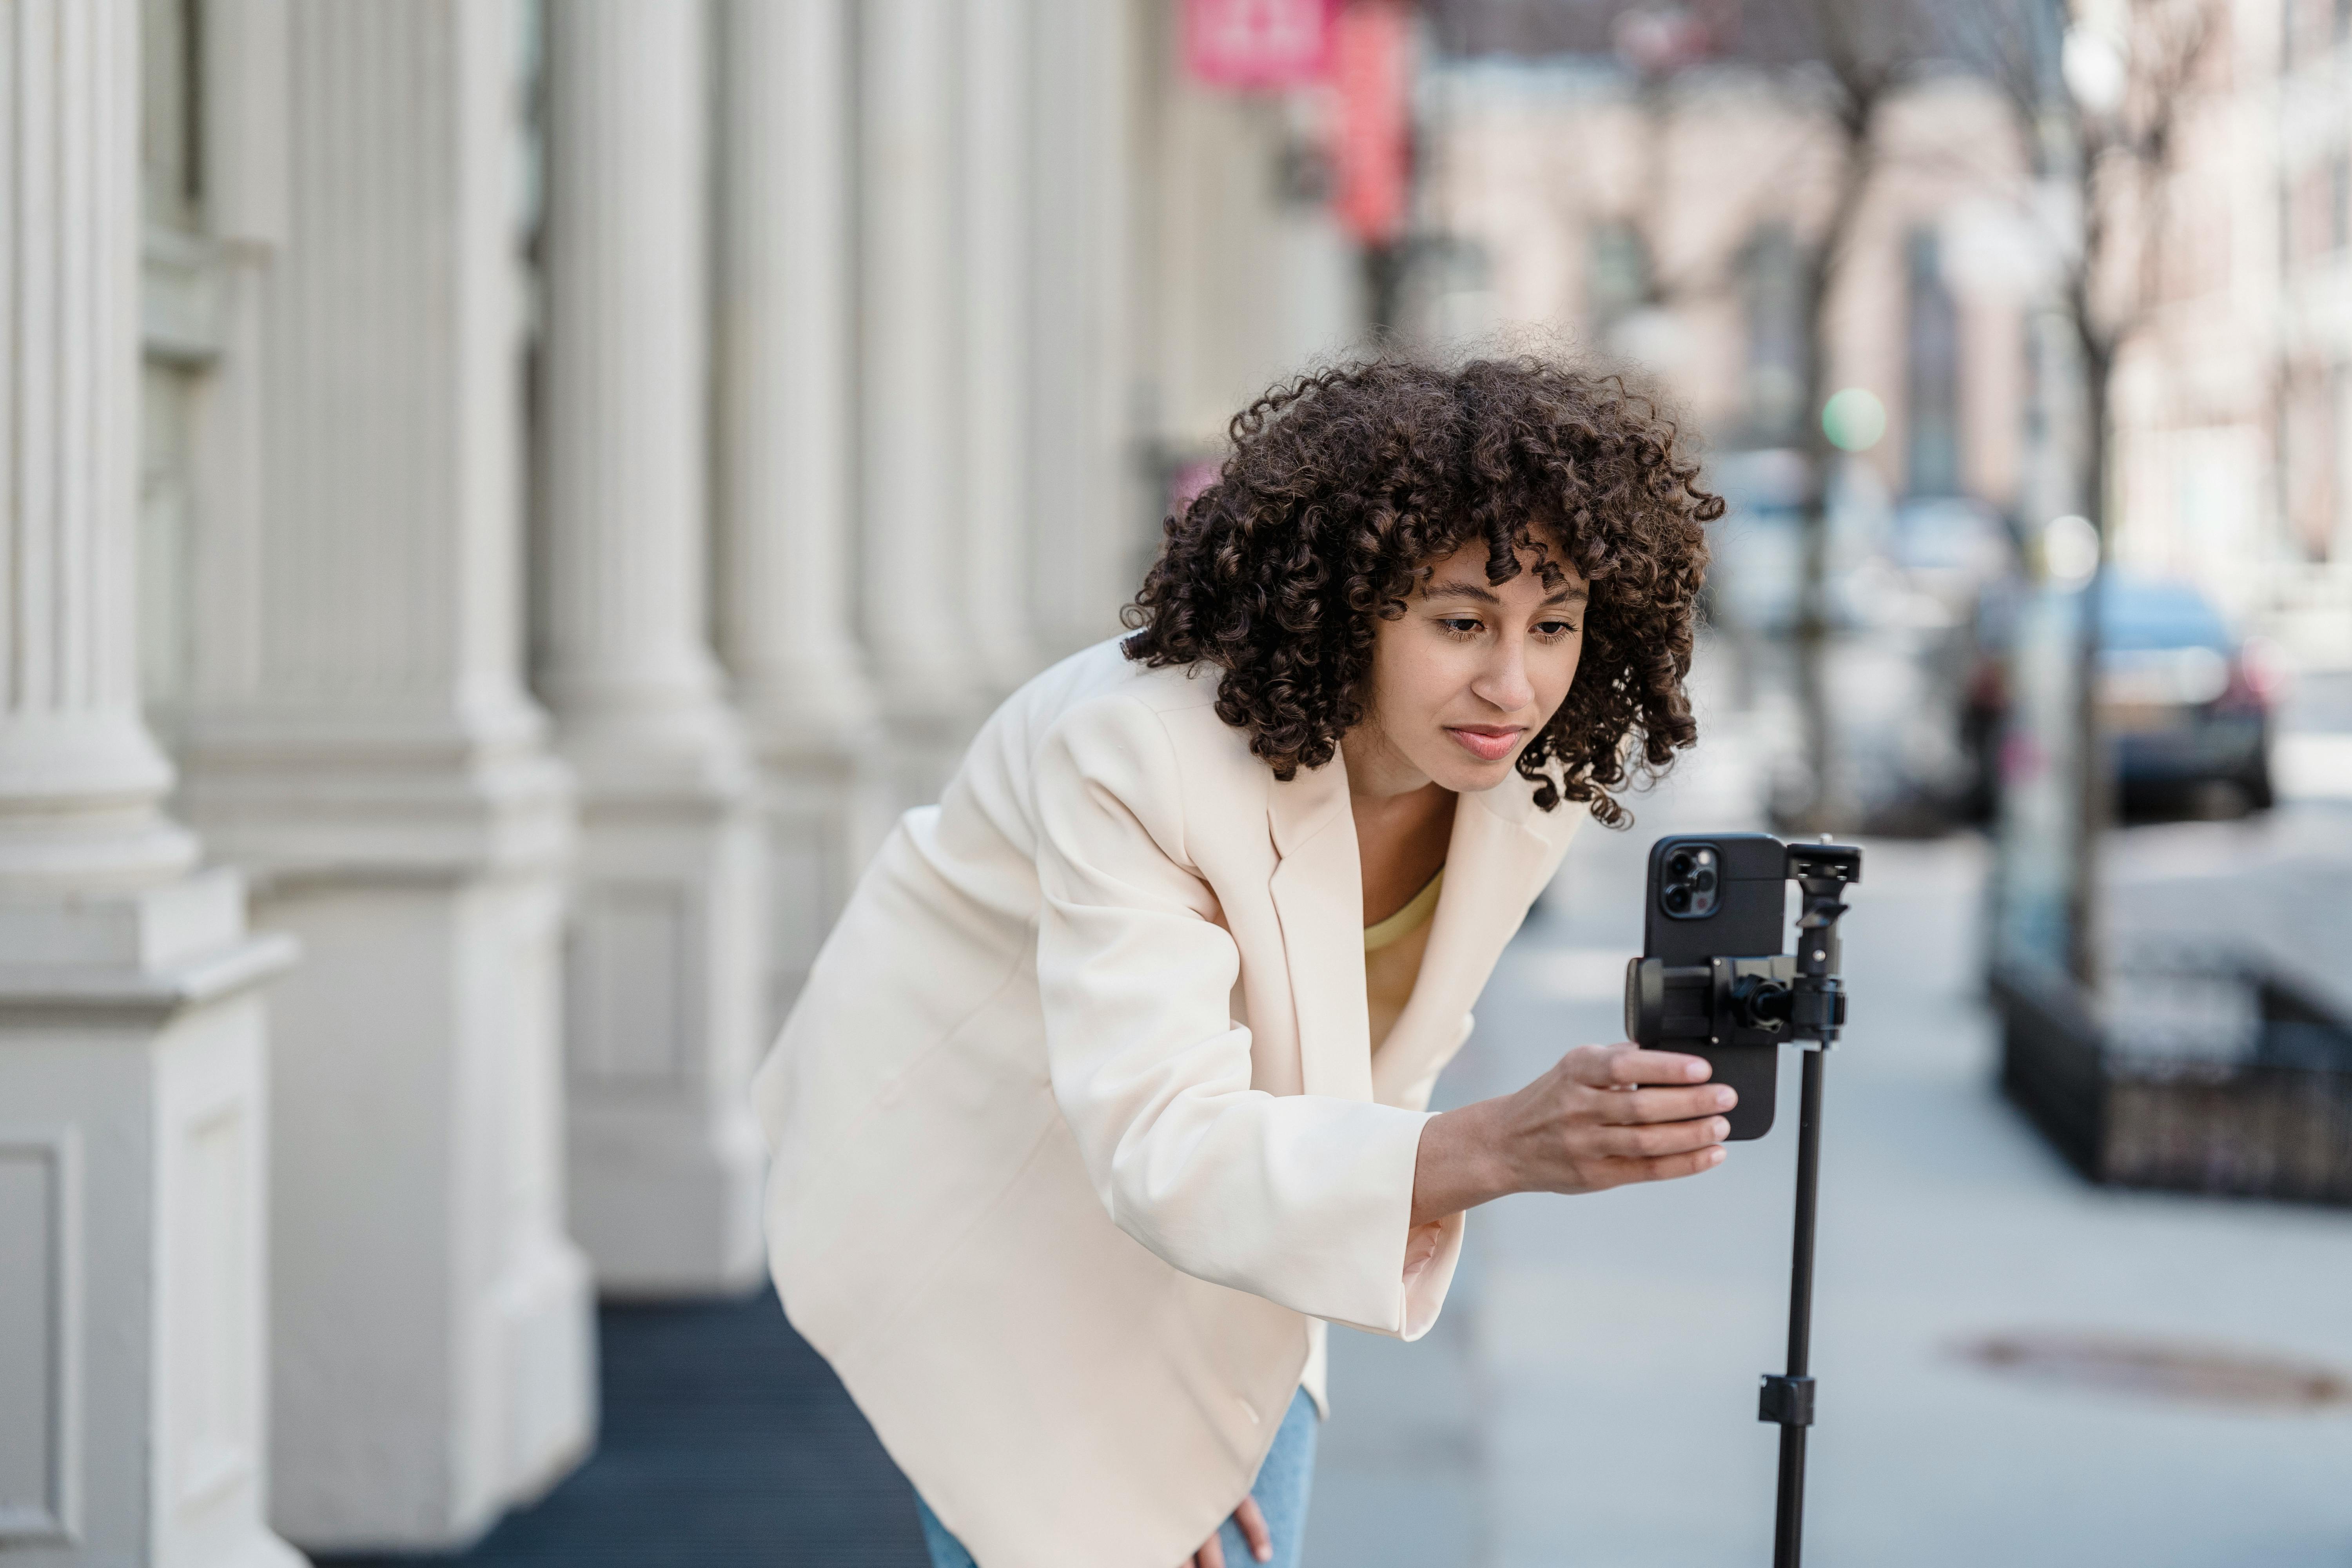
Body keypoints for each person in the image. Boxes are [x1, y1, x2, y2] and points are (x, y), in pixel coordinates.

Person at [751, 354, 1728, 1568]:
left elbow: (1329, 1099)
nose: (1514, 682)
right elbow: (1158, 1138)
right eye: (1462, 621)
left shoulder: (1515, 776)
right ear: (1346, 599)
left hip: (1224, 1190)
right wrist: (1499, 1148)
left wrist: (1206, 1430)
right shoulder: (1136, 753)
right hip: (982, 1182)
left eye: (1557, 624)